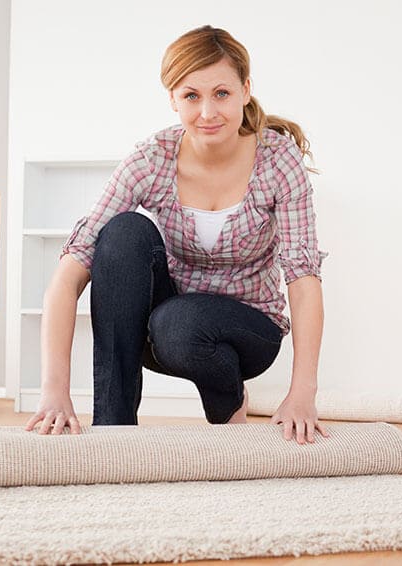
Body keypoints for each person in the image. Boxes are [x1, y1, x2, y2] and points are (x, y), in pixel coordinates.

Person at [24, 25, 329, 445]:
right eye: (191, 96)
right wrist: (53, 390)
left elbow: (303, 276)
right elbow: (71, 268)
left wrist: (302, 393)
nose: (207, 113)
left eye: (221, 94)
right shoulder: (152, 158)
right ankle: (114, 430)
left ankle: (229, 399)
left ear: (245, 89)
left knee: (178, 323)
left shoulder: (278, 161)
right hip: (166, 332)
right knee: (123, 232)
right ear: (173, 99)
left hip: (251, 328)